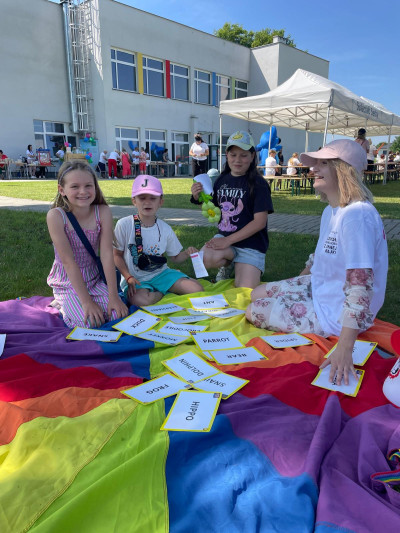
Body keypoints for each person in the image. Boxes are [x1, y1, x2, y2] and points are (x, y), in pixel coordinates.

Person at [246, 139, 388, 386]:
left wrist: (344, 347)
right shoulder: (331, 211)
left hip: (334, 312)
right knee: (256, 293)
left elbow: (361, 286)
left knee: (254, 310)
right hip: (319, 289)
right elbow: (320, 256)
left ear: (343, 170)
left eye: (323, 164)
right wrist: (295, 286)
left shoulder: (357, 216)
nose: (313, 169)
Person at [47, 160, 128, 329]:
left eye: (88, 186)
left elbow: (107, 255)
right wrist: (86, 302)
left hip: (94, 278)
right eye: (75, 186)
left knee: (117, 315)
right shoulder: (56, 216)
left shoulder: (102, 212)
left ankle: (82, 303)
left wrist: (114, 296)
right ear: (62, 190)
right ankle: (62, 303)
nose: (83, 191)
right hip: (67, 282)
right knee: (89, 322)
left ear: (95, 187)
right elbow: (68, 262)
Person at [190, 131, 274, 288]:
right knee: (202, 260)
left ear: (252, 156)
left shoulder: (259, 184)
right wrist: (199, 197)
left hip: (251, 245)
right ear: (227, 155)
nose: (237, 160)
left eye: (243, 155)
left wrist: (227, 241)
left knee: (245, 289)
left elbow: (260, 222)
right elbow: (215, 213)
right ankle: (227, 264)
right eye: (233, 154)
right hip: (226, 241)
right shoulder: (221, 180)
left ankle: (247, 265)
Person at [113, 175, 203, 306]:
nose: (147, 202)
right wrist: (128, 277)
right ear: (134, 201)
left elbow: (175, 258)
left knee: (197, 289)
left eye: (153, 198)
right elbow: (116, 255)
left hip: (161, 274)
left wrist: (187, 253)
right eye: (142, 198)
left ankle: (165, 286)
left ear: (160, 202)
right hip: (136, 279)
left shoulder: (165, 228)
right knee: (141, 301)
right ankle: (163, 292)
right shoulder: (124, 224)